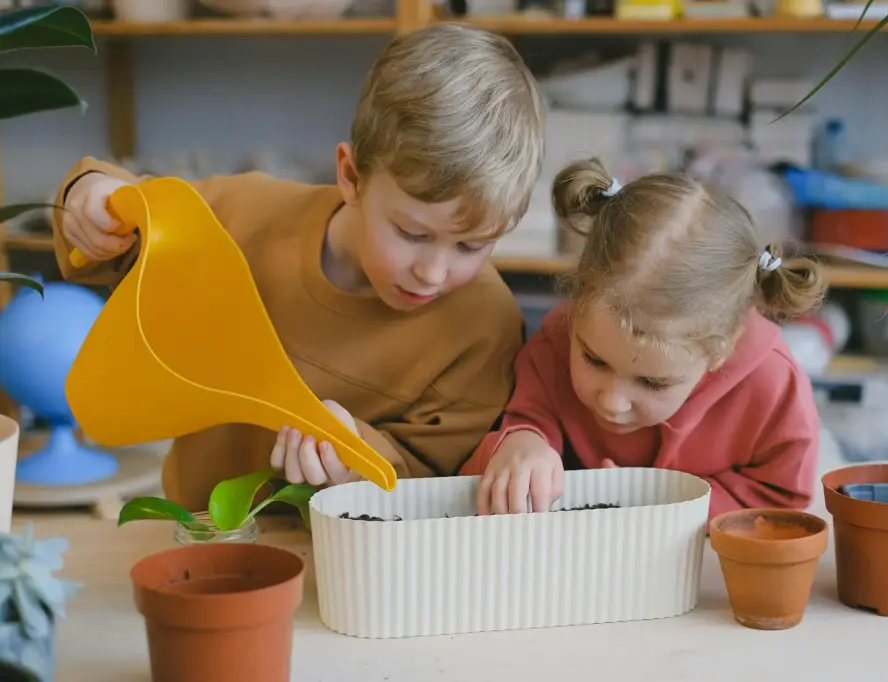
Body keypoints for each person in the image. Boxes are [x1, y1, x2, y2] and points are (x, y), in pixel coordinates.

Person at [52, 23, 546, 511]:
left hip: (351, 563)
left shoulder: (486, 325)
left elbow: (434, 476)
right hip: (198, 532)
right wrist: (89, 195)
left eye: (472, 246)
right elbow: (134, 220)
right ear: (351, 176)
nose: (434, 272)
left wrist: (357, 455)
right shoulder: (245, 215)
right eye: (413, 235)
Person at [460, 158, 827, 520]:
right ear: (577, 307)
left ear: (723, 348)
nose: (613, 402)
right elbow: (527, 416)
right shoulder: (556, 341)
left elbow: (782, 500)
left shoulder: (773, 388)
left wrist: (662, 503)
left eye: (653, 382)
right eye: (594, 360)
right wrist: (522, 442)